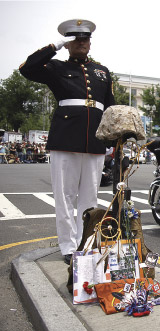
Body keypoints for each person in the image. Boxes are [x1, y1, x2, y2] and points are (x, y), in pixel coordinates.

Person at [19, 19, 115, 265]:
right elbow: (27, 69)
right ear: (69, 43)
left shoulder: (102, 71)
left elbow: (111, 106)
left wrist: (114, 137)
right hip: (65, 138)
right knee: (65, 196)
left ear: (90, 43)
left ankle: (86, 241)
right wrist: (55, 45)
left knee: (90, 197)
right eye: (76, 39)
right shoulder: (56, 67)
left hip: (94, 141)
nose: (81, 42)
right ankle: (67, 245)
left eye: (85, 39)